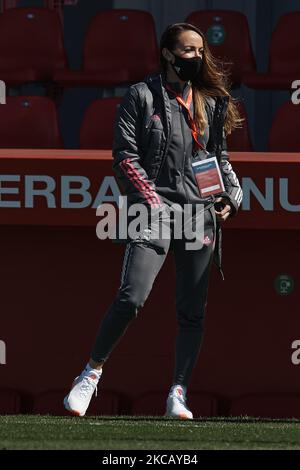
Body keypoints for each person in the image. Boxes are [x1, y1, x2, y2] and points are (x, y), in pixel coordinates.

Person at [64, 22, 243, 419]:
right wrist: (153, 203)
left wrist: (228, 197)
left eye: (200, 51)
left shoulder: (210, 102)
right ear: (167, 53)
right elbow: (125, 157)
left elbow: (217, 159)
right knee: (132, 296)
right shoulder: (141, 96)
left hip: (198, 216)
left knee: (192, 312)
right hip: (154, 212)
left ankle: (178, 392)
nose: (196, 57)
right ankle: (91, 374)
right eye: (188, 50)